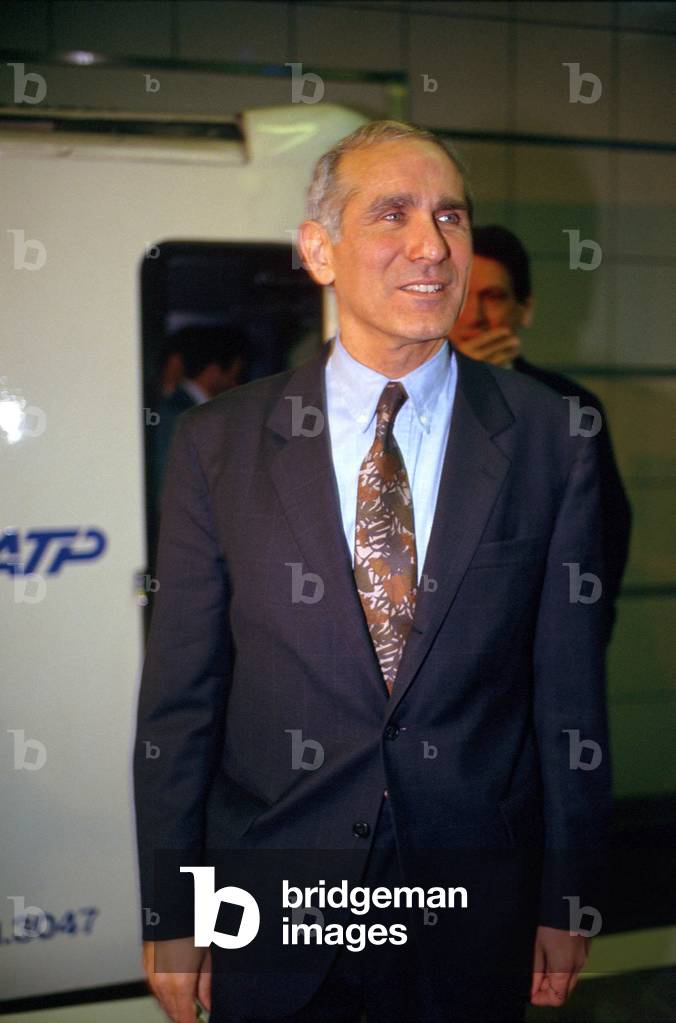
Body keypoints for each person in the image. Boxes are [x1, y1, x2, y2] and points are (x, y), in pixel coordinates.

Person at [134, 121, 612, 1023]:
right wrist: (176, 907)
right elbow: (181, 704)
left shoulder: (553, 438)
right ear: (320, 249)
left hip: (473, 904)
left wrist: (568, 894)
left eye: (452, 217)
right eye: (392, 214)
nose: (432, 246)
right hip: (273, 903)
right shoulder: (219, 443)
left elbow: (568, 694)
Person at [449, 224, 631, 642]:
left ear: (523, 310)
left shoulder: (571, 406)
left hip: (541, 639)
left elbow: (606, 535)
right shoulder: (408, 403)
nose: (475, 317)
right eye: (462, 297)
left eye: (492, 297)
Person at [151, 326, 246, 509]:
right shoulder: (177, 412)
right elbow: (167, 488)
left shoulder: (184, 409)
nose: (236, 384)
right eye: (233, 375)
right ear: (213, 371)